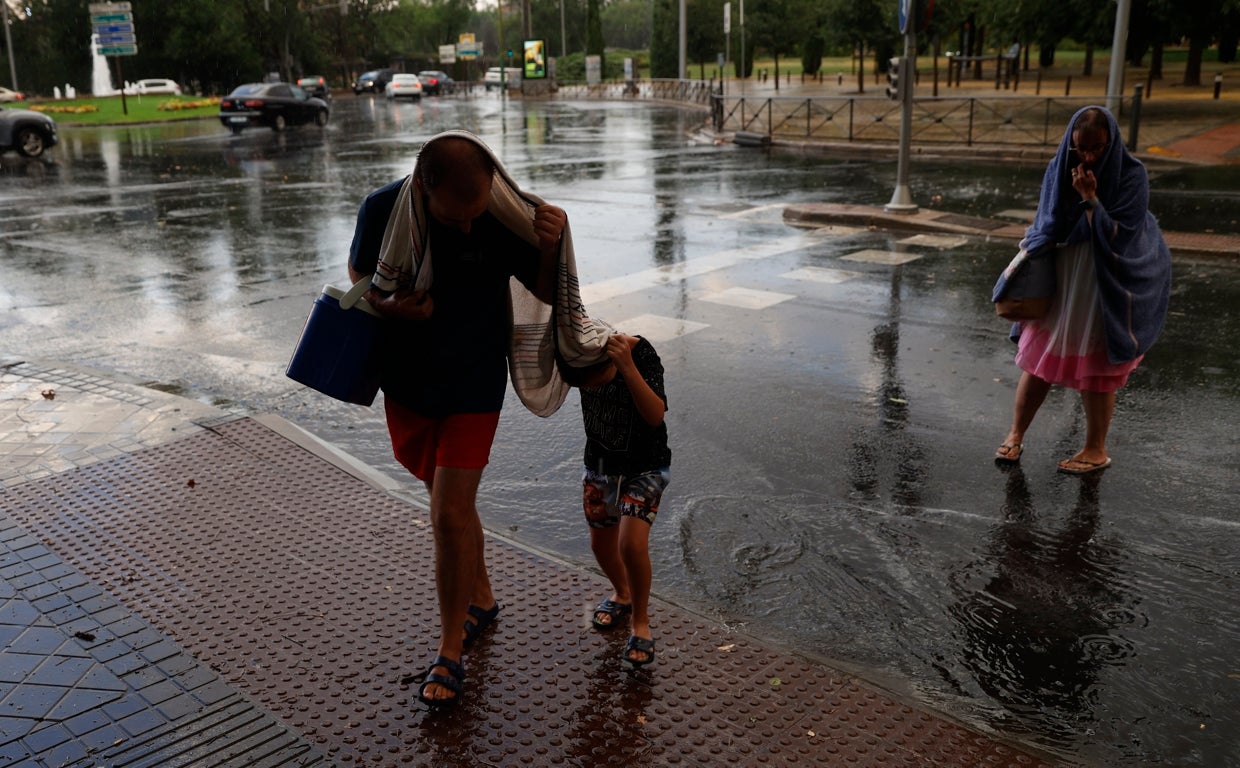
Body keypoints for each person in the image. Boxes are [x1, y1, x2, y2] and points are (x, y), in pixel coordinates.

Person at [347, 130, 606, 706]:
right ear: (424, 187)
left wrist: (550, 245)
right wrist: (390, 305)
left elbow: (543, 288)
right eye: (454, 217)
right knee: (452, 507)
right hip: (407, 383)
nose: (468, 226)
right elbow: (360, 275)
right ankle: (482, 600)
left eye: (476, 212)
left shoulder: (501, 214)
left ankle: (449, 652)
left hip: (474, 386)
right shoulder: (382, 208)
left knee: (446, 515)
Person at [993, 106, 1171, 474]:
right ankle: (1015, 434)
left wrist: (1091, 199)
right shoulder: (1060, 166)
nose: (1087, 156)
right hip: (1064, 276)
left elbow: (1123, 235)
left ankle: (1095, 449)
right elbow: (1048, 223)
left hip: (1104, 282)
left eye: (1096, 148)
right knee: (1040, 358)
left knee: (1097, 366)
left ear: (1111, 142)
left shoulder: (1131, 175)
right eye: (1081, 148)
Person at [558, 331, 671, 667]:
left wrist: (627, 368)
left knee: (631, 545)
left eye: (597, 381)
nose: (592, 388)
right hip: (600, 467)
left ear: (608, 359)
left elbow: (655, 414)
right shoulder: (578, 355)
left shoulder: (639, 353)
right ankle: (622, 593)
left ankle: (640, 623)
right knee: (600, 544)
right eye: (585, 385)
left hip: (645, 467)